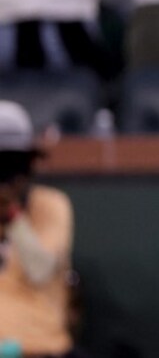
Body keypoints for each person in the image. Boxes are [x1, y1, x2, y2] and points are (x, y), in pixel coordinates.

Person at [0, 100, 74, 357]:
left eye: (13, 165)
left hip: (39, 347)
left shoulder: (50, 204)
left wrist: (12, 214)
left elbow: (40, 270)